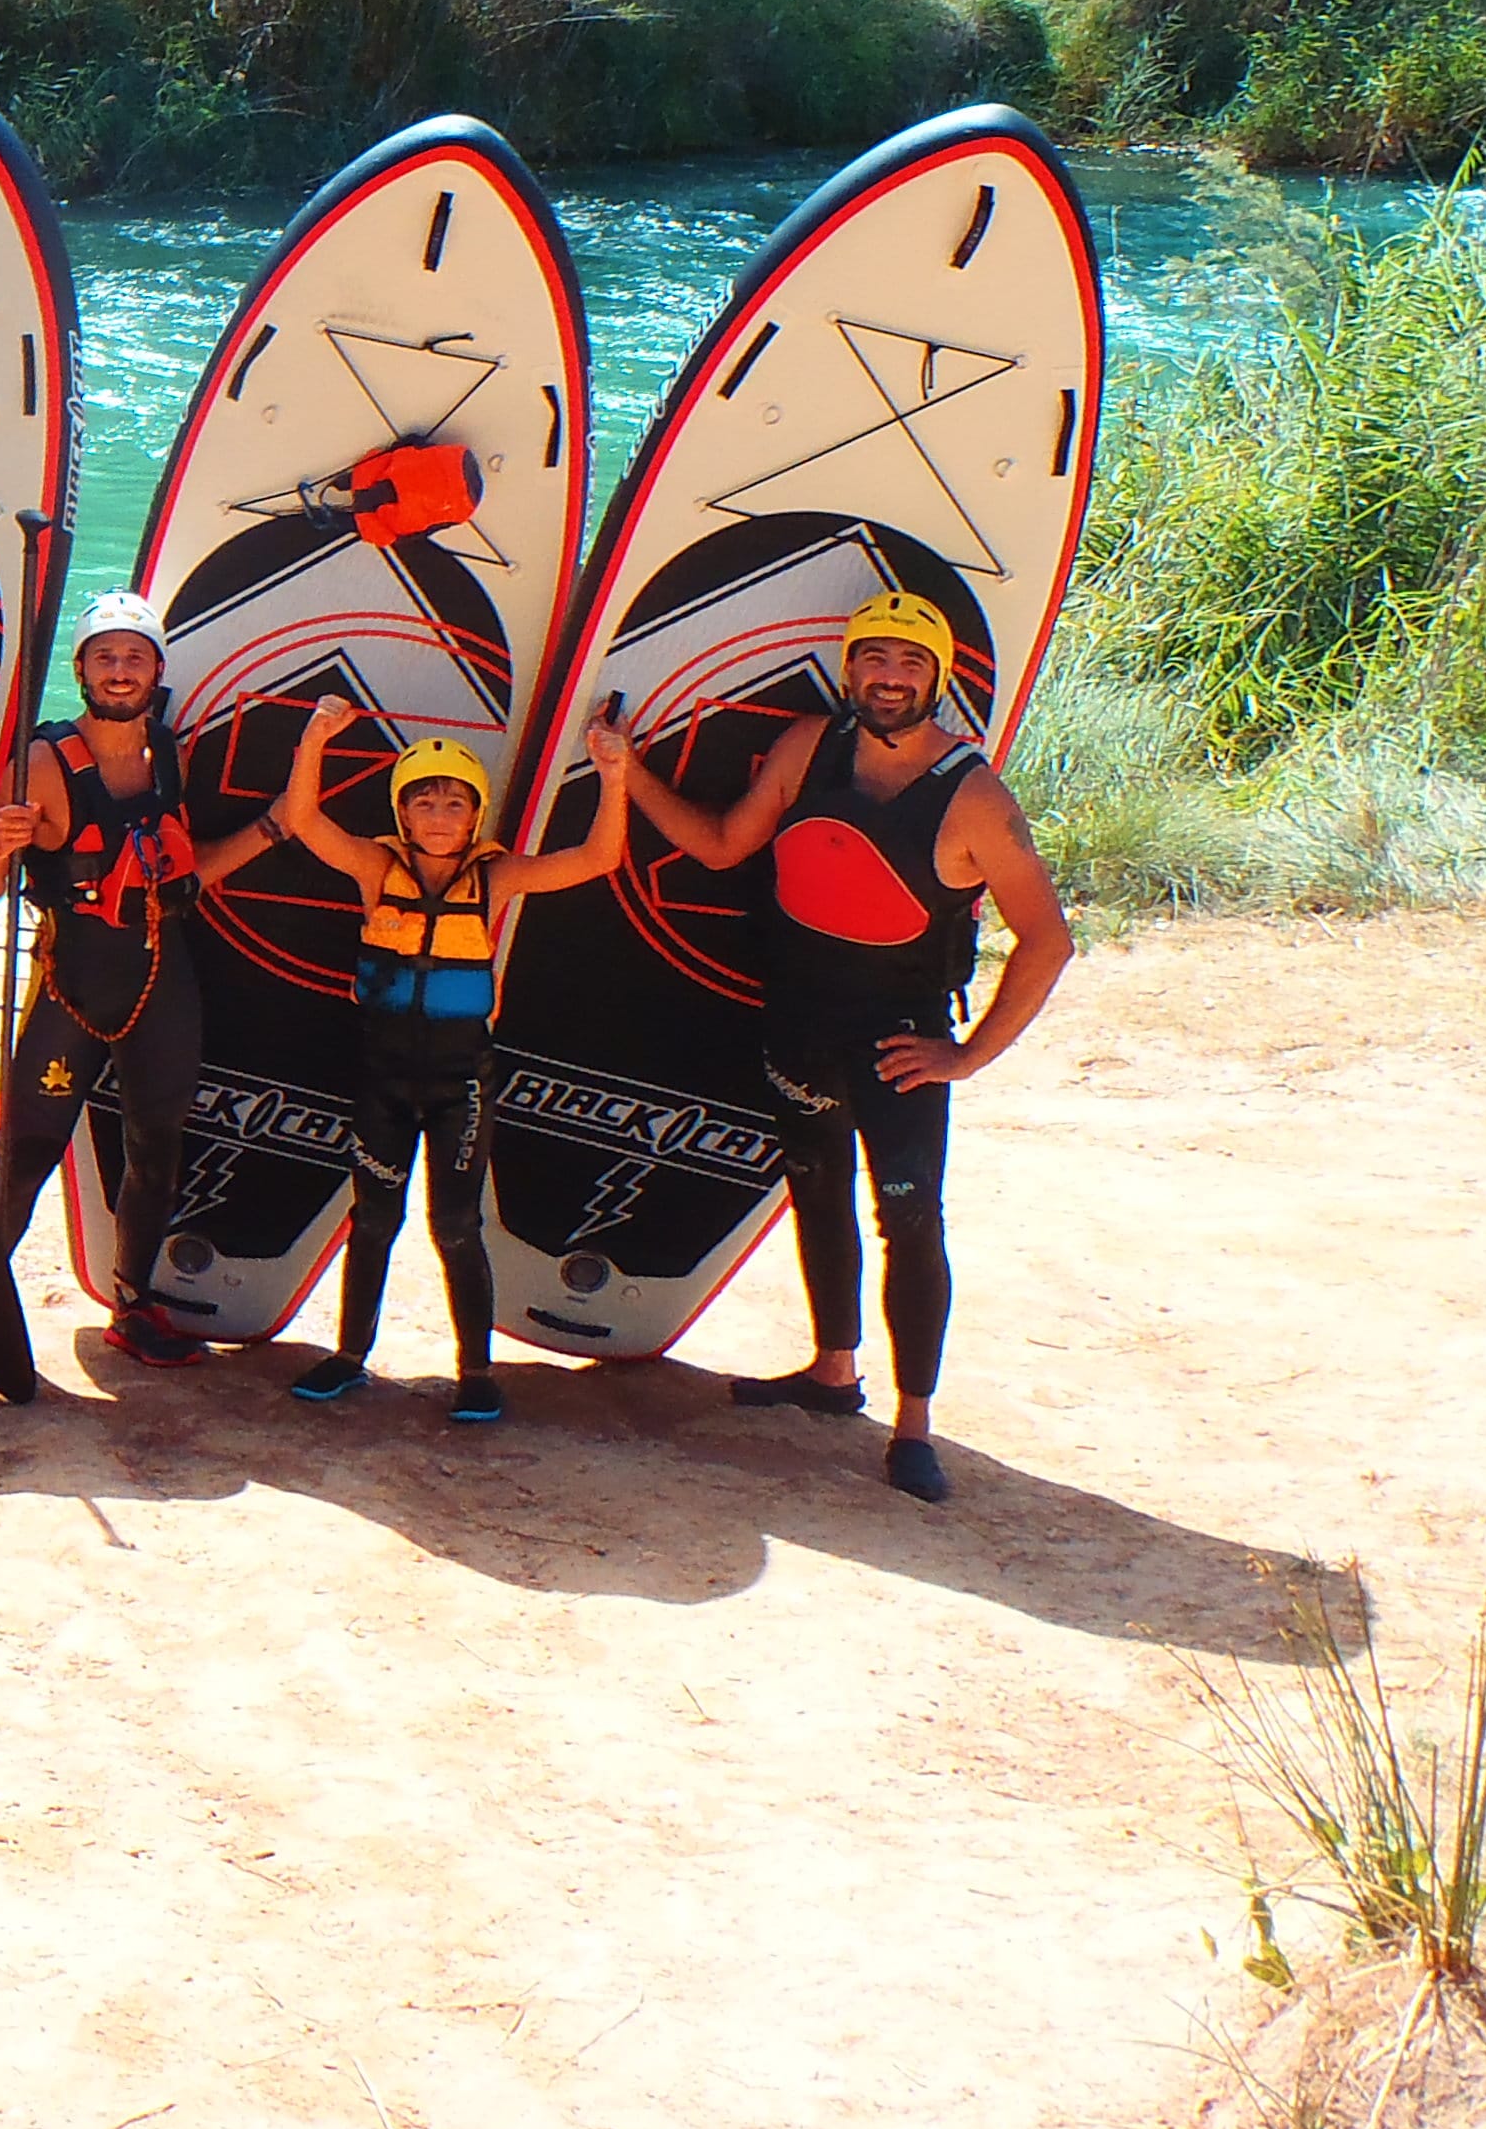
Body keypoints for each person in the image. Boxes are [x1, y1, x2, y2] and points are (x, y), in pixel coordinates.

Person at [603, 589, 1077, 1503]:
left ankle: (913, 1426)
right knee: (818, 1195)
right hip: (801, 1024)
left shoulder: (972, 796)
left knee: (910, 1223)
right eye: (873, 658)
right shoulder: (808, 747)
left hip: (899, 1047)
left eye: (908, 662)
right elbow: (719, 845)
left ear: (936, 677)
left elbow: (1047, 940)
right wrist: (626, 773)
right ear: (850, 665)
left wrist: (968, 1055)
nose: (888, 677)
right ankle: (831, 1372)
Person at [0, 592, 286, 1400]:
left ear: (157, 671)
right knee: (23, 1161)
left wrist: (272, 828)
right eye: (104, 659)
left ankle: (134, 1304)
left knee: (155, 1154)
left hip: (162, 980)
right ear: (82, 671)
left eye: (135, 659)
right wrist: (0, 844)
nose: (119, 673)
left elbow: (181, 874)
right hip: (71, 990)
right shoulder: (42, 762)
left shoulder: (170, 754)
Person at [260, 699, 629, 1422]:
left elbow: (598, 859)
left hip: (462, 1081)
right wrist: (313, 743)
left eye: (454, 801)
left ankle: (476, 1371)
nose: (438, 812)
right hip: (383, 1076)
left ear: (474, 817)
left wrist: (614, 776)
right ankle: (348, 1356)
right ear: (402, 814)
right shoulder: (376, 868)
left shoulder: (497, 878)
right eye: (423, 799)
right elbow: (304, 820)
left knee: (455, 1226)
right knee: (373, 1219)